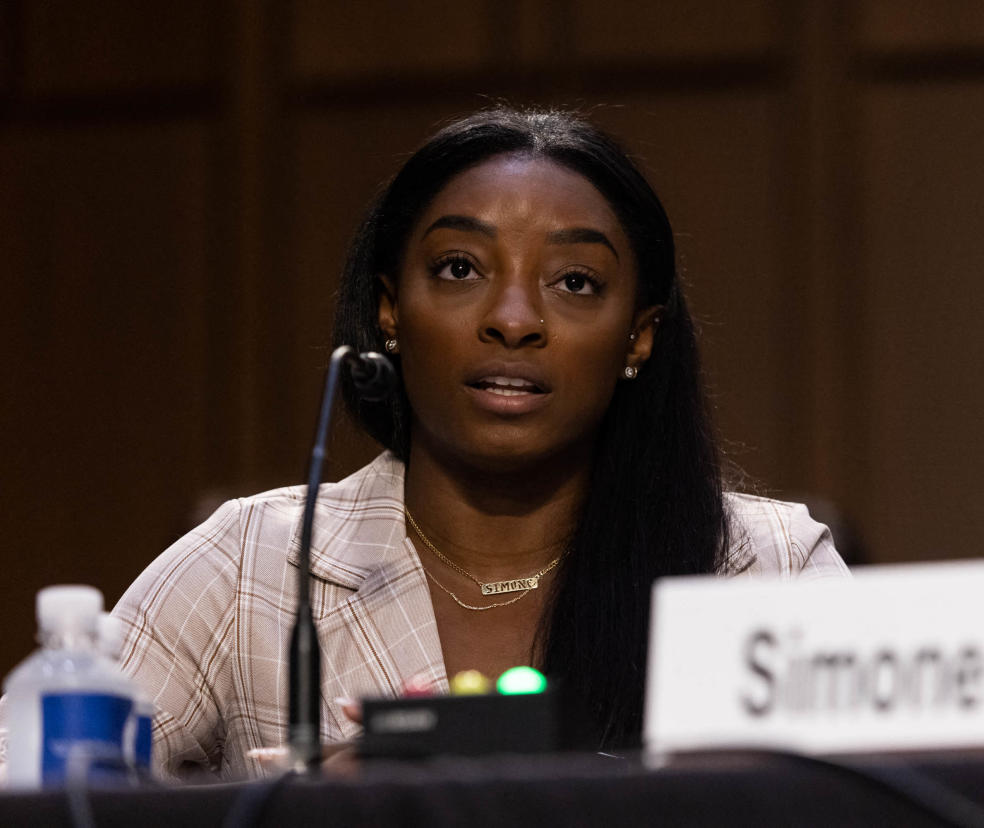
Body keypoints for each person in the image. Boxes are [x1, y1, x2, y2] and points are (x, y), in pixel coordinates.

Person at [49, 107, 848, 780]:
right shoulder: (252, 564)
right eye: (460, 267)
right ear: (391, 313)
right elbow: (35, 790)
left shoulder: (759, 564)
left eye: (574, 282)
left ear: (638, 338)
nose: (512, 318)